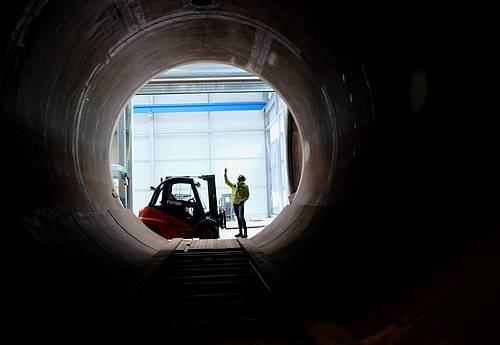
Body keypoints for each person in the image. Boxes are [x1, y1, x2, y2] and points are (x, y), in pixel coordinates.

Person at [224, 168, 250, 238]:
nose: (238, 177)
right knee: (238, 218)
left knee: (241, 217)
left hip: (240, 204)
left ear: (242, 179)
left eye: (239, 177)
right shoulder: (235, 185)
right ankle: (240, 232)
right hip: (235, 203)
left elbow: (247, 195)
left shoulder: (244, 186)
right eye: (238, 177)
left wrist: (242, 201)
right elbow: (227, 182)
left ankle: (245, 233)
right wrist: (225, 174)